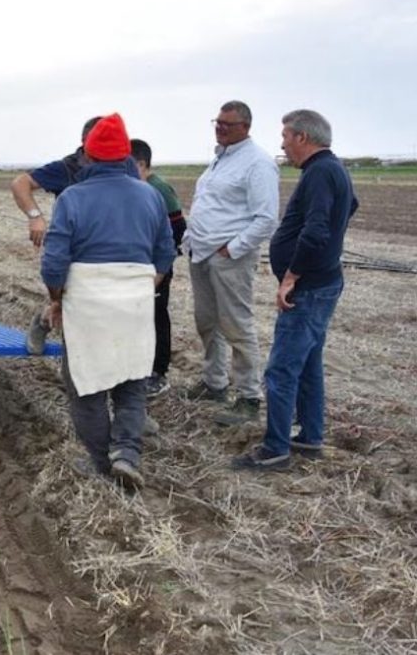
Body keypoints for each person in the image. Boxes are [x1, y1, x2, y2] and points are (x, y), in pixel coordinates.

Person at [41, 114, 175, 489]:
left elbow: (54, 263)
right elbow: (165, 252)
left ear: (89, 157)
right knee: (132, 381)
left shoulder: (72, 198)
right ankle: (127, 453)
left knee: (87, 387)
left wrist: (57, 298)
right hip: (135, 301)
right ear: (126, 157)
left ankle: (103, 463)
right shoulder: (149, 196)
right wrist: (147, 285)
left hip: (87, 303)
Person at [232, 110, 358, 470]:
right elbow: (351, 205)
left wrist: (291, 276)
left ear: (303, 137)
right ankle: (310, 438)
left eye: (286, 136)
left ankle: (275, 450)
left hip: (310, 288)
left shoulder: (320, 172)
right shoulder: (333, 168)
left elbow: (317, 230)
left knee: (282, 370)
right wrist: (332, 239)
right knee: (308, 365)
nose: (283, 143)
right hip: (323, 281)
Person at [183, 100, 279, 425]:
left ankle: (250, 397)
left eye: (227, 124)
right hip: (201, 252)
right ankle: (214, 384)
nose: (220, 128)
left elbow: (266, 219)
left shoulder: (258, 163)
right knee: (207, 322)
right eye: (217, 122)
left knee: (237, 326)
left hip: (229, 258)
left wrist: (233, 248)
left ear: (246, 127)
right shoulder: (220, 159)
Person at [14, 117, 143, 354]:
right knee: (71, 306)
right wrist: (35, 216)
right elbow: (20, 183)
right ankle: (46, 322)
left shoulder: (125, 165)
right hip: (75, 250)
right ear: (85, 144)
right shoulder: (67, 167)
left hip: (113, 248)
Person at [130, 139, 187, 398]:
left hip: (157, 268)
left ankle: (158, 372)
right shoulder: (137, 188)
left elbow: (178, 230)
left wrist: (160, 267)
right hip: (139, 266)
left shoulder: (158, 189)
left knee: (156, 316)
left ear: (141, 164)